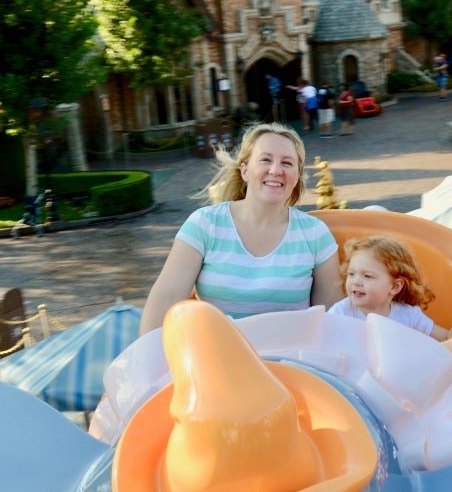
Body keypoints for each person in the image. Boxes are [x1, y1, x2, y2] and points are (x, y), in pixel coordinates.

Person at [140, 122, 342, 335]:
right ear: (244, 170)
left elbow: (332, 318)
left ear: (297, 177)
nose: (276, 170)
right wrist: (149, 353)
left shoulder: (316, 234)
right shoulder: (204, 224)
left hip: (292, 354)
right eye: (265, 160)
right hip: (216, 353)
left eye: (287, 163)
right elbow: (165, 298)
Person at [329, 236, 452, 341]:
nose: (356, 281)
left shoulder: (408, 316)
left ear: (395, 286)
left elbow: (447, 340)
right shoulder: (341, 313)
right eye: (351, 274)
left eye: (367, 276)